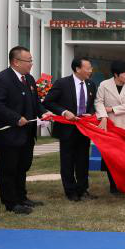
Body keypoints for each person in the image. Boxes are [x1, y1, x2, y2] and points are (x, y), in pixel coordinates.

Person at [0, 46, 51, 215]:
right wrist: (15, 118)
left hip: (26, 134)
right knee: (9, 168)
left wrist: (44, 113)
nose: (31, 64)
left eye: (31, 60)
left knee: (23, 166)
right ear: (15, 61)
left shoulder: (29, 79)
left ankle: (21, 197)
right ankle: (11, 202)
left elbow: (35, 102)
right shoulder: (2, 79)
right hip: (8, 134)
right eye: (28, 61)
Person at [43, 57, 99, 201]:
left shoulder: (91, 84)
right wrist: (64, 112)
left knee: (83, 160)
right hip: (66, 129)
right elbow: (48, 102)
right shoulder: (62, 83)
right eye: (88, 68)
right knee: (67, 161)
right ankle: (71, 191)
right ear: (77, 69)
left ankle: (82, 189)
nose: (91, 71)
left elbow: (92, 104)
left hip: (84, 128)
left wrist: (91, 113)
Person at [95, 60, 125, 195]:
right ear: (116, 74)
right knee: (111, 158)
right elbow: (98, 102)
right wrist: (103, 116)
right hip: (110, 126)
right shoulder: (104, 85)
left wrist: (111, 109)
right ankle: (113, 185)